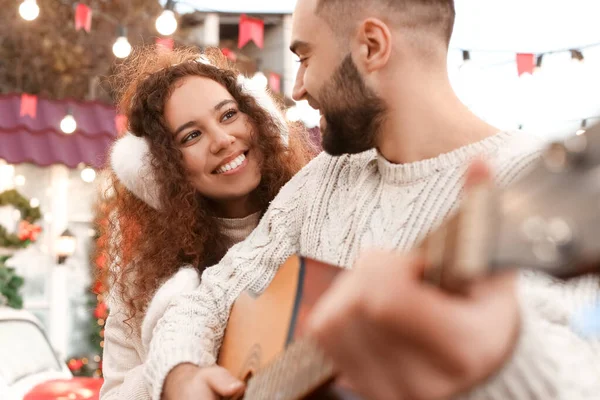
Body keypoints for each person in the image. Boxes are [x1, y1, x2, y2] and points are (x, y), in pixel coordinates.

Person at [144, 1, 600, 399]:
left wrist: (505, 356)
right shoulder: (326, 177)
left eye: (306, 56)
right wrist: (181, 374)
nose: (298, 87)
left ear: (371, 48)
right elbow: (210, 296)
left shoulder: (523, 185)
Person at [97, 46, 315, 400]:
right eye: (191, 136)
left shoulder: (314, 214)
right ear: (160, 170)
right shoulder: (142, 280)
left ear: (259, 116)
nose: (223, 140)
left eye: (228, 114)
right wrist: (169, 372)